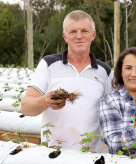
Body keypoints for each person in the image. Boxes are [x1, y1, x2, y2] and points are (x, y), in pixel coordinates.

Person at [21, 10, 112, 153]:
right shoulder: (48, 64)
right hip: (52, 154)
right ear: (65, 36)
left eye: (84, 31)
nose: (79, 36)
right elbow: (25, 107)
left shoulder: (104, 71)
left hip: (90, 157)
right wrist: (45, 101)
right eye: (73, 31)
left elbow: (113, 112)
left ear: (93, 35)